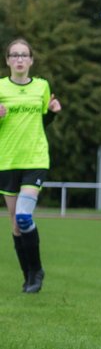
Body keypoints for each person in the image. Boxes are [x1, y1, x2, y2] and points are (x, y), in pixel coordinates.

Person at [0, 38, 62, 294]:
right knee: (15, 224)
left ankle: (36, 271)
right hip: (7, 161)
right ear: (7, 61)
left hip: (35, 159)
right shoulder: (0, 87)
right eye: (14, 55)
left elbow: (41, 121)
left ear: (31, 60)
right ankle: (28, 276)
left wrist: (52, 113)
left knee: (24, 217)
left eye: (24, 55)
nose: (19, 59)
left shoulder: (42, 87)